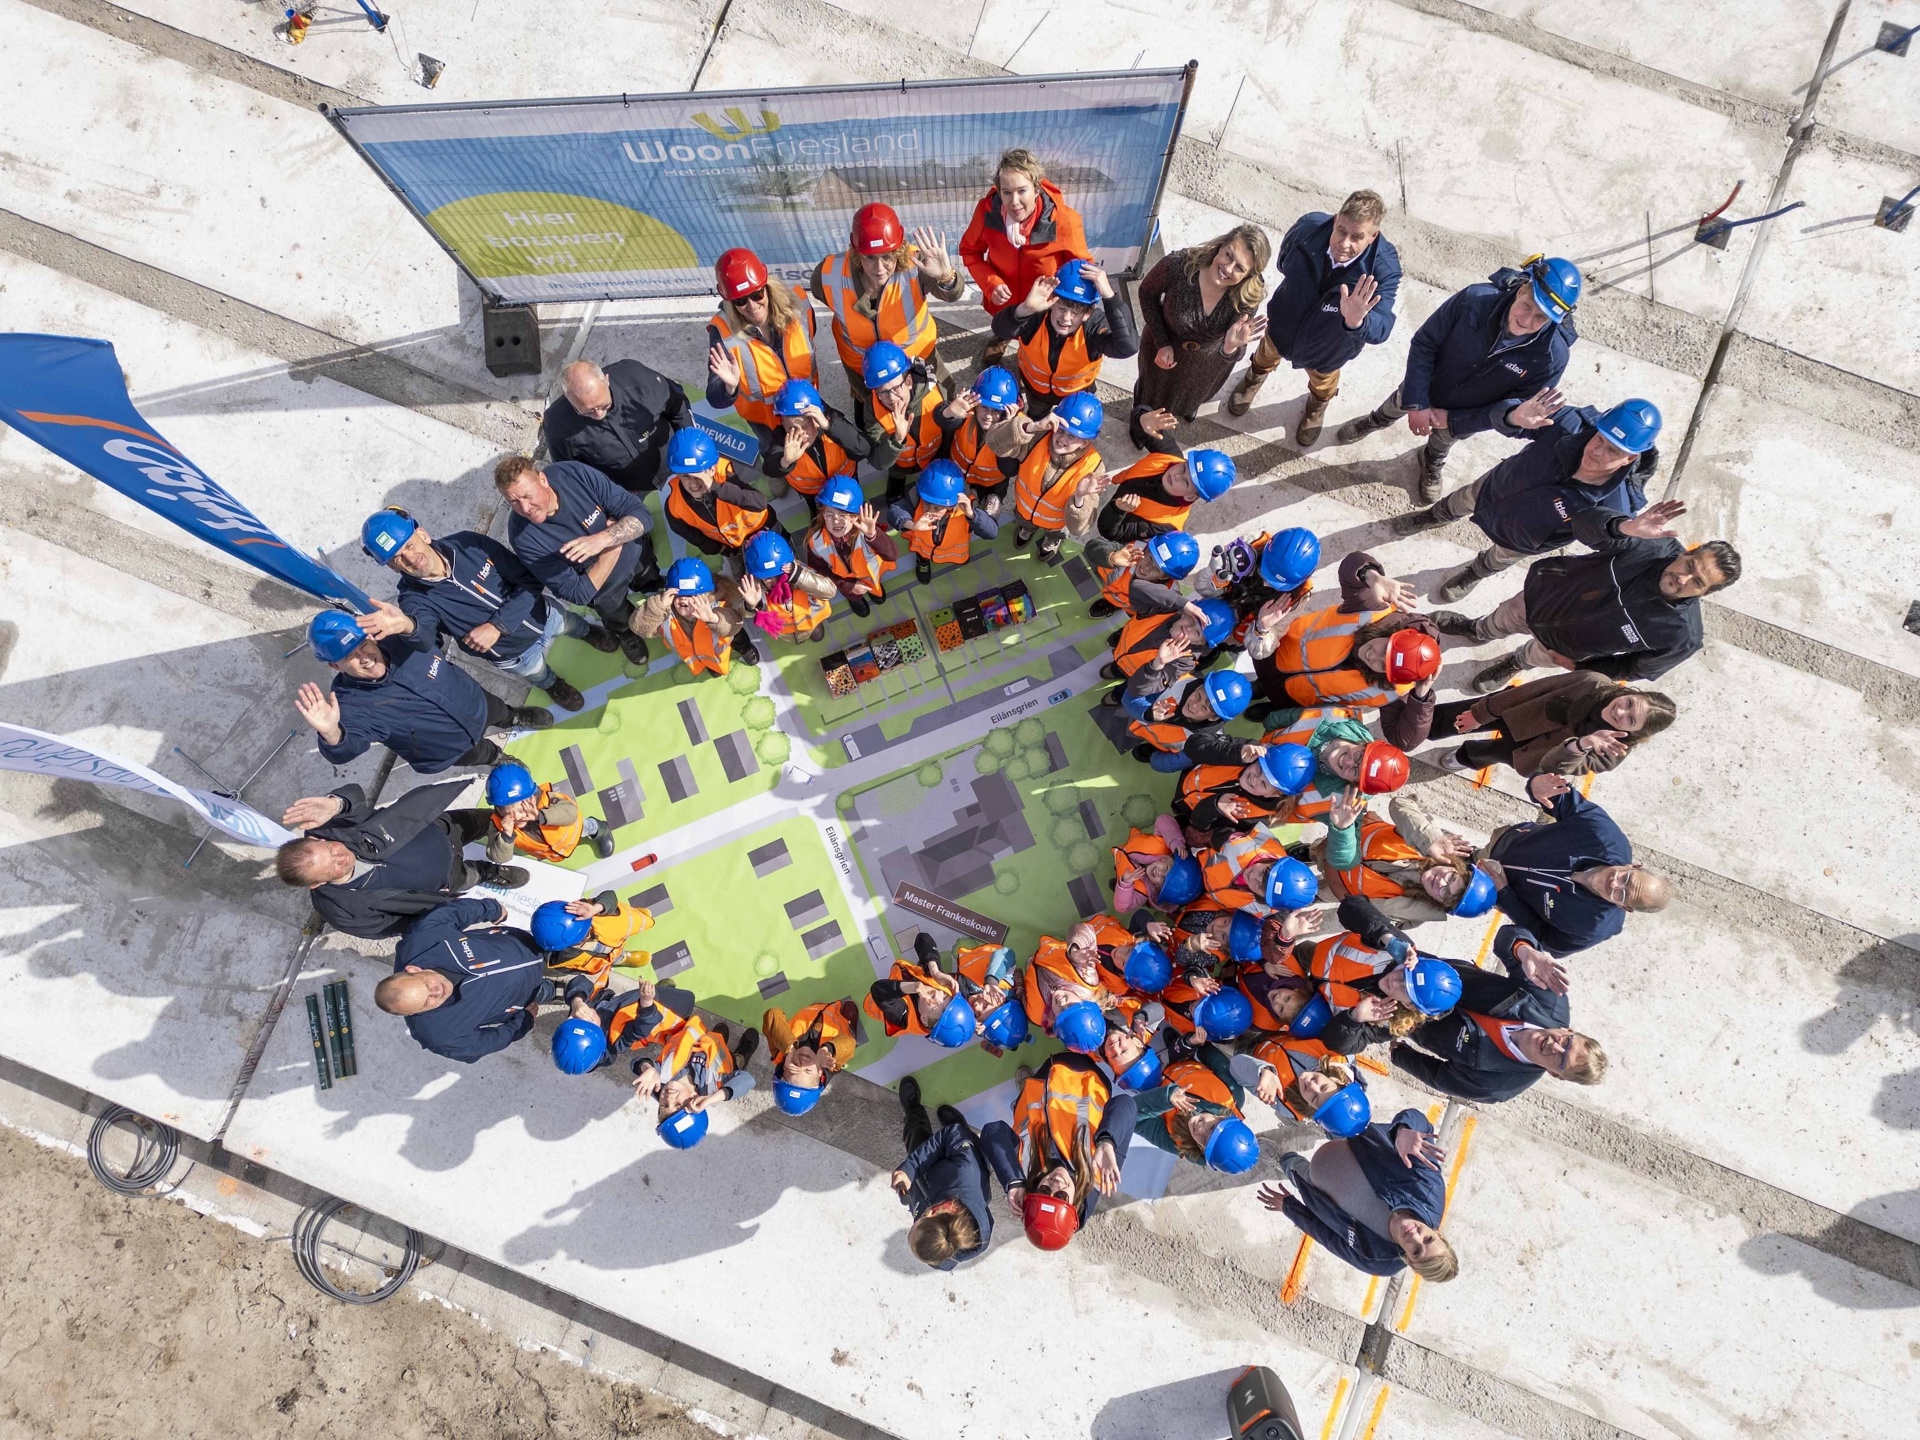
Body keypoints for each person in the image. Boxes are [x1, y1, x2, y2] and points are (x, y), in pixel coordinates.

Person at [1337, 257, 1581, 501]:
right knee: (1397, 403)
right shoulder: (1475, 300)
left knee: (1444, 440)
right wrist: (1417, 402)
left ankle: (1431, 459)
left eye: (1541, 317)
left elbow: (1515, 409)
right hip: (1425, 385)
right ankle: (1376, 420)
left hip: (1466, 416)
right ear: (1521, 290)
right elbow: (1425, 343)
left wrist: (1454, 421)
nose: (1527, 321)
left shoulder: (1551, 358)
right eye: (1527, 306)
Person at [1431, 502, 1740, 691]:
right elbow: (1582, 525)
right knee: (1502, 619)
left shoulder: (1682, 636)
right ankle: (1478, 630)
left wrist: (1580, 668)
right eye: (1689, 565)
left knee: (1534, 657)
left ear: (1705, 593)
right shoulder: (1647, 544)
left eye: (1697, 582)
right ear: (1686, 553)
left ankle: (1514, 663)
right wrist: (1624, 526)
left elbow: (1636, 669)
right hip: (1541, 599)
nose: (1683, 578)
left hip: (1563, 649)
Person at [1393, 394, 1661, 603]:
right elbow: (1511, 420)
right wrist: (1512, 416)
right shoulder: (1569, 424)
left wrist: (1622, 530)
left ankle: (1475, 572)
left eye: (1613, 450)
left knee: (1500, 557)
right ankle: (1433, 517)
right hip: (1496, 488)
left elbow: (1597, 538)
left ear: (1630, 458)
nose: (1598, 452)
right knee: (1462, 500)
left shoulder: (1617, 505)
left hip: (1528, 536)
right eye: (1600, 439)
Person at [361, 508, 617, 715]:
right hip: (512, 655)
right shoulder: (412, 600)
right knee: (537, 673)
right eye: (397, 558)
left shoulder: (468, 544)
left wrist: (498, 626)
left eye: (409, 545)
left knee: (570, 623)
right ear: (392, 568)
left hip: (542, 615)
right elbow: (426, 639)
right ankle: (553, 685)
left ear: (423, 534)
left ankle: (587, 632)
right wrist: (407, 627)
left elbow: (528, 580)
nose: (409, 558)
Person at [1228, 192, 1400, 447]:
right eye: (1341, 231)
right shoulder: (1307, 229)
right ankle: (1255, 376)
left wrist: (1357, 322)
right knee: (1266, 353)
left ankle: (1317, 406)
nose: (1344, 244)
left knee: (1323, 381)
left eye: (1357, 237)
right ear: (1336, 219)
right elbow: (1283, 263)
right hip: (1284, 323)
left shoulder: (1384, 269)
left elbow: (1382, 327)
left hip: (1330, 346)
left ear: (1373, 236)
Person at [296, 609, 550, 776]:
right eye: (351, 656)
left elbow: (429, 633)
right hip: (446, 747)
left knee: (499, 710)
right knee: (479, 753)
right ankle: (497, 758)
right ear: (335, 666)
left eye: (363, 645)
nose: (365, 658)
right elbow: (348, 748)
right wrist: (331, 733)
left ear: (371, 637)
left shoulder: (398, 637)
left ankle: (513, 717)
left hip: (475, 701)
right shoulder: (349, 704)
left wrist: (410, 625)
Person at [276, 779, 525, 939]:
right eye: (332, 866)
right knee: (472, 875)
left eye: (330, 849)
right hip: (448, 879)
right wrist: (434, 905)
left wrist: (336, 804)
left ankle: (509, 827)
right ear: (317, 884)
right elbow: (398, 926)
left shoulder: (328, 826)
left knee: (490, 820)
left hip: (442, 827)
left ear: (317, 839)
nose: (340, 856)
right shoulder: (343, 912)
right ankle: (489, 872)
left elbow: (355, 795)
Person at [1391, 927, 1606, 1102]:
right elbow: (1505, 937)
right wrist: (1524, 950)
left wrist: (1400, 1055)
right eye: (1567, 1042)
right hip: (1415, 966)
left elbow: (1438, 1077)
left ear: (1555, 1074)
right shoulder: (1549, 995)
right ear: (1568, 1030)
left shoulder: (1497, 1086)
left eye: (1561, 1060)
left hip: (1392, 1012)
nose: (1555, 1047)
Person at [1249, 549, 1437, 746]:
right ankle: (1258, 687)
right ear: (1393, 634)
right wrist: (1372, 576)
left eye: (1383, 666)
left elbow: (1404, 741)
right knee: (1258, 679)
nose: (1373, 657)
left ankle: (1271, 708)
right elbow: (1350, 564)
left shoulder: (1394, 688)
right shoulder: (1372, 609)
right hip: (1276, 650)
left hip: (1293, 700)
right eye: (1385, 650)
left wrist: (1421, 698)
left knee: (1279, 709)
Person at [1483, 774, 1670, 957]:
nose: (1615, 883)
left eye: (1623, 894)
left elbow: (1545, 939)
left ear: (1625, 907)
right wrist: (1536, 785)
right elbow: (1560, 796)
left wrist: (1504, 894)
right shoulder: (1604, 835)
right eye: (1626, 878)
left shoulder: (1591, 929)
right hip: (1508, 842)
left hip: (1492, 891)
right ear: (1633, 866)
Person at [1259, 1109, 1457, 1281]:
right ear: (1438, 1233)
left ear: (1410, 1261)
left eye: (1416, 1251)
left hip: (1317, 1186)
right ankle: (1321, 1127)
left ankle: (1282, 1159)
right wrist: (1403, 1130)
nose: (1415, 1236)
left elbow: (1330, 1240)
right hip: (1352, 1142)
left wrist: (1290, 1208)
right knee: (1333, 1123)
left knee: (1294, 1169)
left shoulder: (1378, 1261)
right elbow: (1422, 1126)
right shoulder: (1429, 1191)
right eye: (1428, 1239)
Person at [497, 455, 657, 666]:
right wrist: (612, 545)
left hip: (634, 554)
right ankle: (626, 633)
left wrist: (603, 539)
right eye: (514, 501)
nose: (525, 508)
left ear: (543, 480)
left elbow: (642, 516)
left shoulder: (573, 474)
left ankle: (651, 586)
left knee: (649, 576)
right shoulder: (522, 537)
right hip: (604, 589)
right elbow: (577, 594)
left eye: (528, 495)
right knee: (617, 616)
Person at [1131, 225, 1270, 452]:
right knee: (1150, 395)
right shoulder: (1178, 265)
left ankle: (1187, 407)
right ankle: (1140, 428)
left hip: (1206, 367)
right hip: (1163, 354)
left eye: (1239, 268)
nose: (1227, 268)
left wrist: (1230, 347)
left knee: (1194, 396)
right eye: (1228, 255)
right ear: (1221, 245)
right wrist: (1162, 341)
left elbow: (1235, 349)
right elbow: (1146, 293)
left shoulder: (1246, 297)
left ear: (1248, 276)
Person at [979, 1052, 1134, 1251]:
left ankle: (1026, 1090)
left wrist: (1013, 1181)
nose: (1055, 1184)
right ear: (1075, 1203)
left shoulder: (1026, 1168)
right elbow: (1126, 1104)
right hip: (1087, 1073)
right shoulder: (1099, 1173)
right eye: (1061, 1196)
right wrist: (1107, 1141)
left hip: (1043, 1078)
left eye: (1044, 1191)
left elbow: (993, 1131)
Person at [811, 204, 964, 399]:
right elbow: (821, 293)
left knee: (944, 402)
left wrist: (946, 277)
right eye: (870, 258)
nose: (879, 268)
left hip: (917, 357)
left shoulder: (918, 264)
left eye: (887, 257)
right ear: (856, 252)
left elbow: (952, 295)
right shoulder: (827, 274)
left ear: (899, 250)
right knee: (873, 411)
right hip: (862, 366)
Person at [374, 896, 554, 1063]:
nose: (437, 992)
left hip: (522, 943)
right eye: (427, 1002)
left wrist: (492, 909)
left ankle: (556, 958)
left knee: (559, 949)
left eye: (427, 985)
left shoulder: (421, 939)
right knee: (543, 992)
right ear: (413, 1013)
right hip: (521, 997)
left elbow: (451, 913)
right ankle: (550, 990)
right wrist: (522, 1023)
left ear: (413, 970)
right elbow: (483, 1044)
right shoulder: (439, 1036)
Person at [960, 146, 1090, 363]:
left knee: (1037, 350)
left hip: (1044, 302)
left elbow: (1081, 267)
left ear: (1037, 189)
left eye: (1022, 191)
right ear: (999, 191)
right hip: (1005, 300)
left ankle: (1034, 351)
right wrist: (991, 283)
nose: (1014, 202)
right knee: (1004, 324)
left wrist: (1067, 305)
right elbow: (970, 251)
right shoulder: (987, 211)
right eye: (1006, 192)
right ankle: (1003, 337)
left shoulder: (1065, 220)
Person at [1302, 897, 1467, 1054]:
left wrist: (1354, 1018)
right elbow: (1350, 905)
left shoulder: (1390, 1022)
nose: (1394, 983)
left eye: (1405, 990)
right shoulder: (1399, 950)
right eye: (1404, 976)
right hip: (1310, 955)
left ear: (1409, 1005)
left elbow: (1336, 1044)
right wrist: (1386, 937)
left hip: (1309, 1000)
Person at [1432, 671, 1677, 777]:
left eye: (1631, 720)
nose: (1621, 711)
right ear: (1632, 692)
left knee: (1493, 753)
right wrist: (1481, 714)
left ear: (1636, 733)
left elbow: (1556, 767)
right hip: (1520, 712)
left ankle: (1465, 756)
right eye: (1630, 702)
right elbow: (1531, 691)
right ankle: (1424, 724)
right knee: (1458, 717)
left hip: (1534, 751)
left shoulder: (1612, 752)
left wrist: (1582, 745)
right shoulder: (1591, 682)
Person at [1314, 792, 1496, 927]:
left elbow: (1361, 911)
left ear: (1441, 905)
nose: (1441, 881)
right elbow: (1400, 803)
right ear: (1458, 867)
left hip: (1336, 881)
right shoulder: (1439, 843)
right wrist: (1429, 839)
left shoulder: (1412, 912)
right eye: (1451, 877)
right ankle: (1307, 852)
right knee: (1313, 850)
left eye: (1445, 893)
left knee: (1313, 891)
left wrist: (1334, 874)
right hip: (1348, 834)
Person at [706, 248, 818, 456]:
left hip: (806, 406)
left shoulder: (798, 303)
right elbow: (714, 397)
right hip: (768, 424)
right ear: (730, 301)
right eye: (740, 301)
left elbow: (811, 332)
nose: (752, 306)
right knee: (779, 459)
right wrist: (729, 387)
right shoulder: (722, 332)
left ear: (766, 285)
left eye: (757, 294)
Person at [990, 259, 1139, 415]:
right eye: (1061, 308)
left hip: (1075, 397)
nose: (1066, 318)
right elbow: (1000, 330)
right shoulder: (1037, 315)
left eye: (1075, 313)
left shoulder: (1093, 327)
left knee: (1069, 426)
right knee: (1036, 415)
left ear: (1087, 314)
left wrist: (1110, 297)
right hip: (1036, 391)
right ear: (1052, 302)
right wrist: (1025, 309)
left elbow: (1128, 347)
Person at [542, 358, 691, 495]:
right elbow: (572, 474)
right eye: (588, 412)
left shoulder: (637, 377)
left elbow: (678, 408)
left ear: (606, 380)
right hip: (630, 492)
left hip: (679, 462)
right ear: (569, 400)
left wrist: (689, 450)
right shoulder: (556, 425)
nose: (599, 414)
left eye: (604, 405)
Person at [890, 1076, 995, 1270]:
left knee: (916, 1142)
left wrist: (908, 1179)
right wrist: (910, 1167)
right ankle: (963, 1132)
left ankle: (913, 1111)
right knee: (957, 1135)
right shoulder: (966, 1172)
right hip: (955, 1173)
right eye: (915, 1224)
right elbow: (953, 1134)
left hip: (926, 1187)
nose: (914, 1221)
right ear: (931, 1213)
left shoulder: (937, 1251)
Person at [994, 391, 1111, 564]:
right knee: (1025, 521)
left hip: (1056, 524)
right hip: (1024, 511)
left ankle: (1051, 539)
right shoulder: (1038, 436)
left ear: (1085, 442)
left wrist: (1080, 498)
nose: (1062, 439)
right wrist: (1031, 427)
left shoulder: (1093, 468)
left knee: (1056, 533)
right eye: (1060, 429)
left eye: (1071, 436)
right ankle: (1027, 529)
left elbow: (1079, 529)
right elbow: (995, 443)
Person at [630, 995, 760, 1150]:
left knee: (717, 1035)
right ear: (694, 1100)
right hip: (724, 1057)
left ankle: (718, 1037)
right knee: (735, 1061)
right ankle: (742, 1054)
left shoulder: (660, 1081)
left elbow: (635, 1063)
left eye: (664, 1105)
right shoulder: (714, 1085)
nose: (668, 1098)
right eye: (678, 1105)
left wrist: (646, 1067)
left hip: (701, 1037)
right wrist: (714, 1098)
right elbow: (747, 1080)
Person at [1130, 1040, 1262, 1177]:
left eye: (1203, 1142)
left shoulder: (1178, 1143)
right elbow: (1212, 1056)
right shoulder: (1233, 1095)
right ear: (1222, 1118)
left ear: (1202, 1151)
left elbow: (1132, 1117)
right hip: (1181, 1053)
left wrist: (1166, 1098)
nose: (1199, 1130)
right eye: (1211, 1127)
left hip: (1148, 1077)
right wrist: (1190, 1044)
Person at [858, 341, 957, 506]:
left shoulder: (938, 391)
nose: (891, 398)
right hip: (900, 465)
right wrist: (897, 440)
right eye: (883, 392)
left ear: (909, 381)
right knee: (896, 475)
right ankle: (897, 479)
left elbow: (952, 432)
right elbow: (878, 461)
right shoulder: (872, 409)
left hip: (935, 456)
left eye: (896, 388)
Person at [630, 555, 762, 675]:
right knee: (713, 666)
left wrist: (713, 618)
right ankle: (711, 664)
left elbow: (734, 624)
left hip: (726, 637)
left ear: (705, 595)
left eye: (691, 595)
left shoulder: (716, 606)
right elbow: (639, 628)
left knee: (739, 638)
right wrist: (658, 606)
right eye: (678, 595)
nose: (683, 599)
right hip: (703, 656)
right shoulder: (663, 613)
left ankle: (746, 649)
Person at [660, 428, 778, 559]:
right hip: (733, 548)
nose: (693, 483)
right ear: (677, 474)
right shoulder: (674, 505)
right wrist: (718, 549)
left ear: (712, 468)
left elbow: (760, 503)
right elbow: (686, 532)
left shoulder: (730, 472)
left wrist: (715, 487)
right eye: (686, 476)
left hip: (765, 530)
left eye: (699, 474)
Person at [886, 458, 998, 584]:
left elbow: (991, 533)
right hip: (923, 550)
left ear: (952, 505)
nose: (929, 511)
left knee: (961, 558)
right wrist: (911, 525)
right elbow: (894, 511)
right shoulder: (917, 497)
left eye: (937, 508)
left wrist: (972, 515)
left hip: (954, 552)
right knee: (922, 554)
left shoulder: (969, 508)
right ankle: (922, 561)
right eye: (926, 504)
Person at [758, 379, 870, 506]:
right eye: (792, 428)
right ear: (783, 423)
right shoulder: (782, 439)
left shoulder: (834, 424)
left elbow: (864, 448)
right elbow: (769, 468)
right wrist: (785, 461)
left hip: (847, 487)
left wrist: (829, 427)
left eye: (805, 426)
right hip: (813, 496)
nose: (801, 434)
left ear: (817, 419)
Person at [1233, 1036, 1371, 1137]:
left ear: (1311, 1106)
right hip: (1275, 1023)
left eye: (1314, 1098)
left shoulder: (1287, 1105)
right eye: (1324, 1087)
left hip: (1248, 1051)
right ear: (1336, 1080)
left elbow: (1235, 1066)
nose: (1312, 1087)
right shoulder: (1338, 1054)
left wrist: (1263, 1070)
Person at [1095, 448, 1236, 546]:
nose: (1177, 476)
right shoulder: (1170, 455)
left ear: (1190, 497)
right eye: (1184, 468)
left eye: (1186, 482)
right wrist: (1142, 418)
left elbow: (1111, 533)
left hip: (1117, 511)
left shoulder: (1164, 525)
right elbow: (1150, 429)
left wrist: (1117, 510)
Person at [484, 760, 615, 865]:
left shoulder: (546, 799)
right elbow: (498, 857)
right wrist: (506, 836)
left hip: (573, 830)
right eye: (509, 814)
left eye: (521, 810)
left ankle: (600, 829)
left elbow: (571, 812)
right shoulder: (498, 825)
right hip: (549, 852)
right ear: (499, 809)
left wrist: (539, 815)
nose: (518, 817)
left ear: (532, 797)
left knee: (586, 827)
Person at [1124, 668, 1254, 772]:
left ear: (1213, 717)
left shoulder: (1205, 743)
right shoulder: (1176, 680)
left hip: (1162, 747)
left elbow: (1175, 762)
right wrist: (1146, 713)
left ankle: (1151, 752)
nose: (1195, 705)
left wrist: (1155, 759)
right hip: (1143, 722)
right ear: (1199, 687)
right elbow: (1130, 697)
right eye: (1198, 696)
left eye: (1204, 708)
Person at [803, 477, 899, 616]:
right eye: (829, 515)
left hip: (870, 578)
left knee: (876, 591)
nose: (836, 521)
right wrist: (849, 586)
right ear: (823, 514)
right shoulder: (815, 541)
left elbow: (892, 555)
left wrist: (873, 535)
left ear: (854, 516)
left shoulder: (867, 532)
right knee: (853, 595)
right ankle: (855, 599)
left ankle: (875, 592)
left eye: (842, 515)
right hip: (844, 583)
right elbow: (819, 570)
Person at [1105, 596, 1236, 698]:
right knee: (1116, 668)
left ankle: (1116, 696)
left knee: (1124, 690)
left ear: (1200, 643)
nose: (1188, 628)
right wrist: (1180, 602)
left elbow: (1138, 690)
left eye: (1197, 633)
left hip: (1135, 679)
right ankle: (1114, 670)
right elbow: (1138, 588)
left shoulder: (1185, 662)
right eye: (1191, 620)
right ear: (1185, 612)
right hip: (1120, 654)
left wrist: (1157, 664)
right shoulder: (1165, 609)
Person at [865, 934, 981, 1048]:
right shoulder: (940, 986)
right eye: (945, 997)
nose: (937, 996)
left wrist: (913, 987)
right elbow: (922, 938)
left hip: (878, 999)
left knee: (871, 1004)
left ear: (924, 1019)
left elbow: (878, 990)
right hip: (903, 975)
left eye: (937, 1007)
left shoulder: (904, 1017)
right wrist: (935, 971)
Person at [943, 366, 1022, 513]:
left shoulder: (1015, 429)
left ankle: (990, 498)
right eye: (984, 407)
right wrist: (948, 412)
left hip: (991, 485)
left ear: (1006, 412)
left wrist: (1006, 433)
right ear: (976, 403)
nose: (988, 416)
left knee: (989, 513)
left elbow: (1010, 470)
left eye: (996, 411)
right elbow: (942, 422)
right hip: (958, 476)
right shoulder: (965, 412)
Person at [764, 998, 862, 1115]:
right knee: (850, 1037)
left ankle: (821, 1008)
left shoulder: (779, 1052)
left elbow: (772, 1014)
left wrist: (789, 1048)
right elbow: (849, 1044)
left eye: (794, 1066)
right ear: (820, 1073)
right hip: (839, 1019)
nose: (802, 1062)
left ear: (784, 1068)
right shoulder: (830, 1064)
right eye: (808, 1070)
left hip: (814, 1010)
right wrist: (828, 1049)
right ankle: (851, 1027)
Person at [739, 531, 835, 645]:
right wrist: (751, 606)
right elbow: (745, 613)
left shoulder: (799, 572)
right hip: (786, 631)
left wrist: (800, 577)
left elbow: (830, 592)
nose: (774, 581)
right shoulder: (754, 588)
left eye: (779, 574)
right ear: (758, 576)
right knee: (801, 639)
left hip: (812, 619)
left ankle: (810, 632)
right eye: (767, 578)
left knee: (817, 635)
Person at [1088, 529, 1200, 622]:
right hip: (1113, 594)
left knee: (1136, 620)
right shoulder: (1131, 549)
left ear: (1164, 577)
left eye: (1156, 569)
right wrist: (1112, 557)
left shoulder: (1168, 594)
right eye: (1150, 558)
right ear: (1147, 549)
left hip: (1134, 611)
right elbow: (1092, 546)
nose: (1147, 567)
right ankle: (1111, 603)